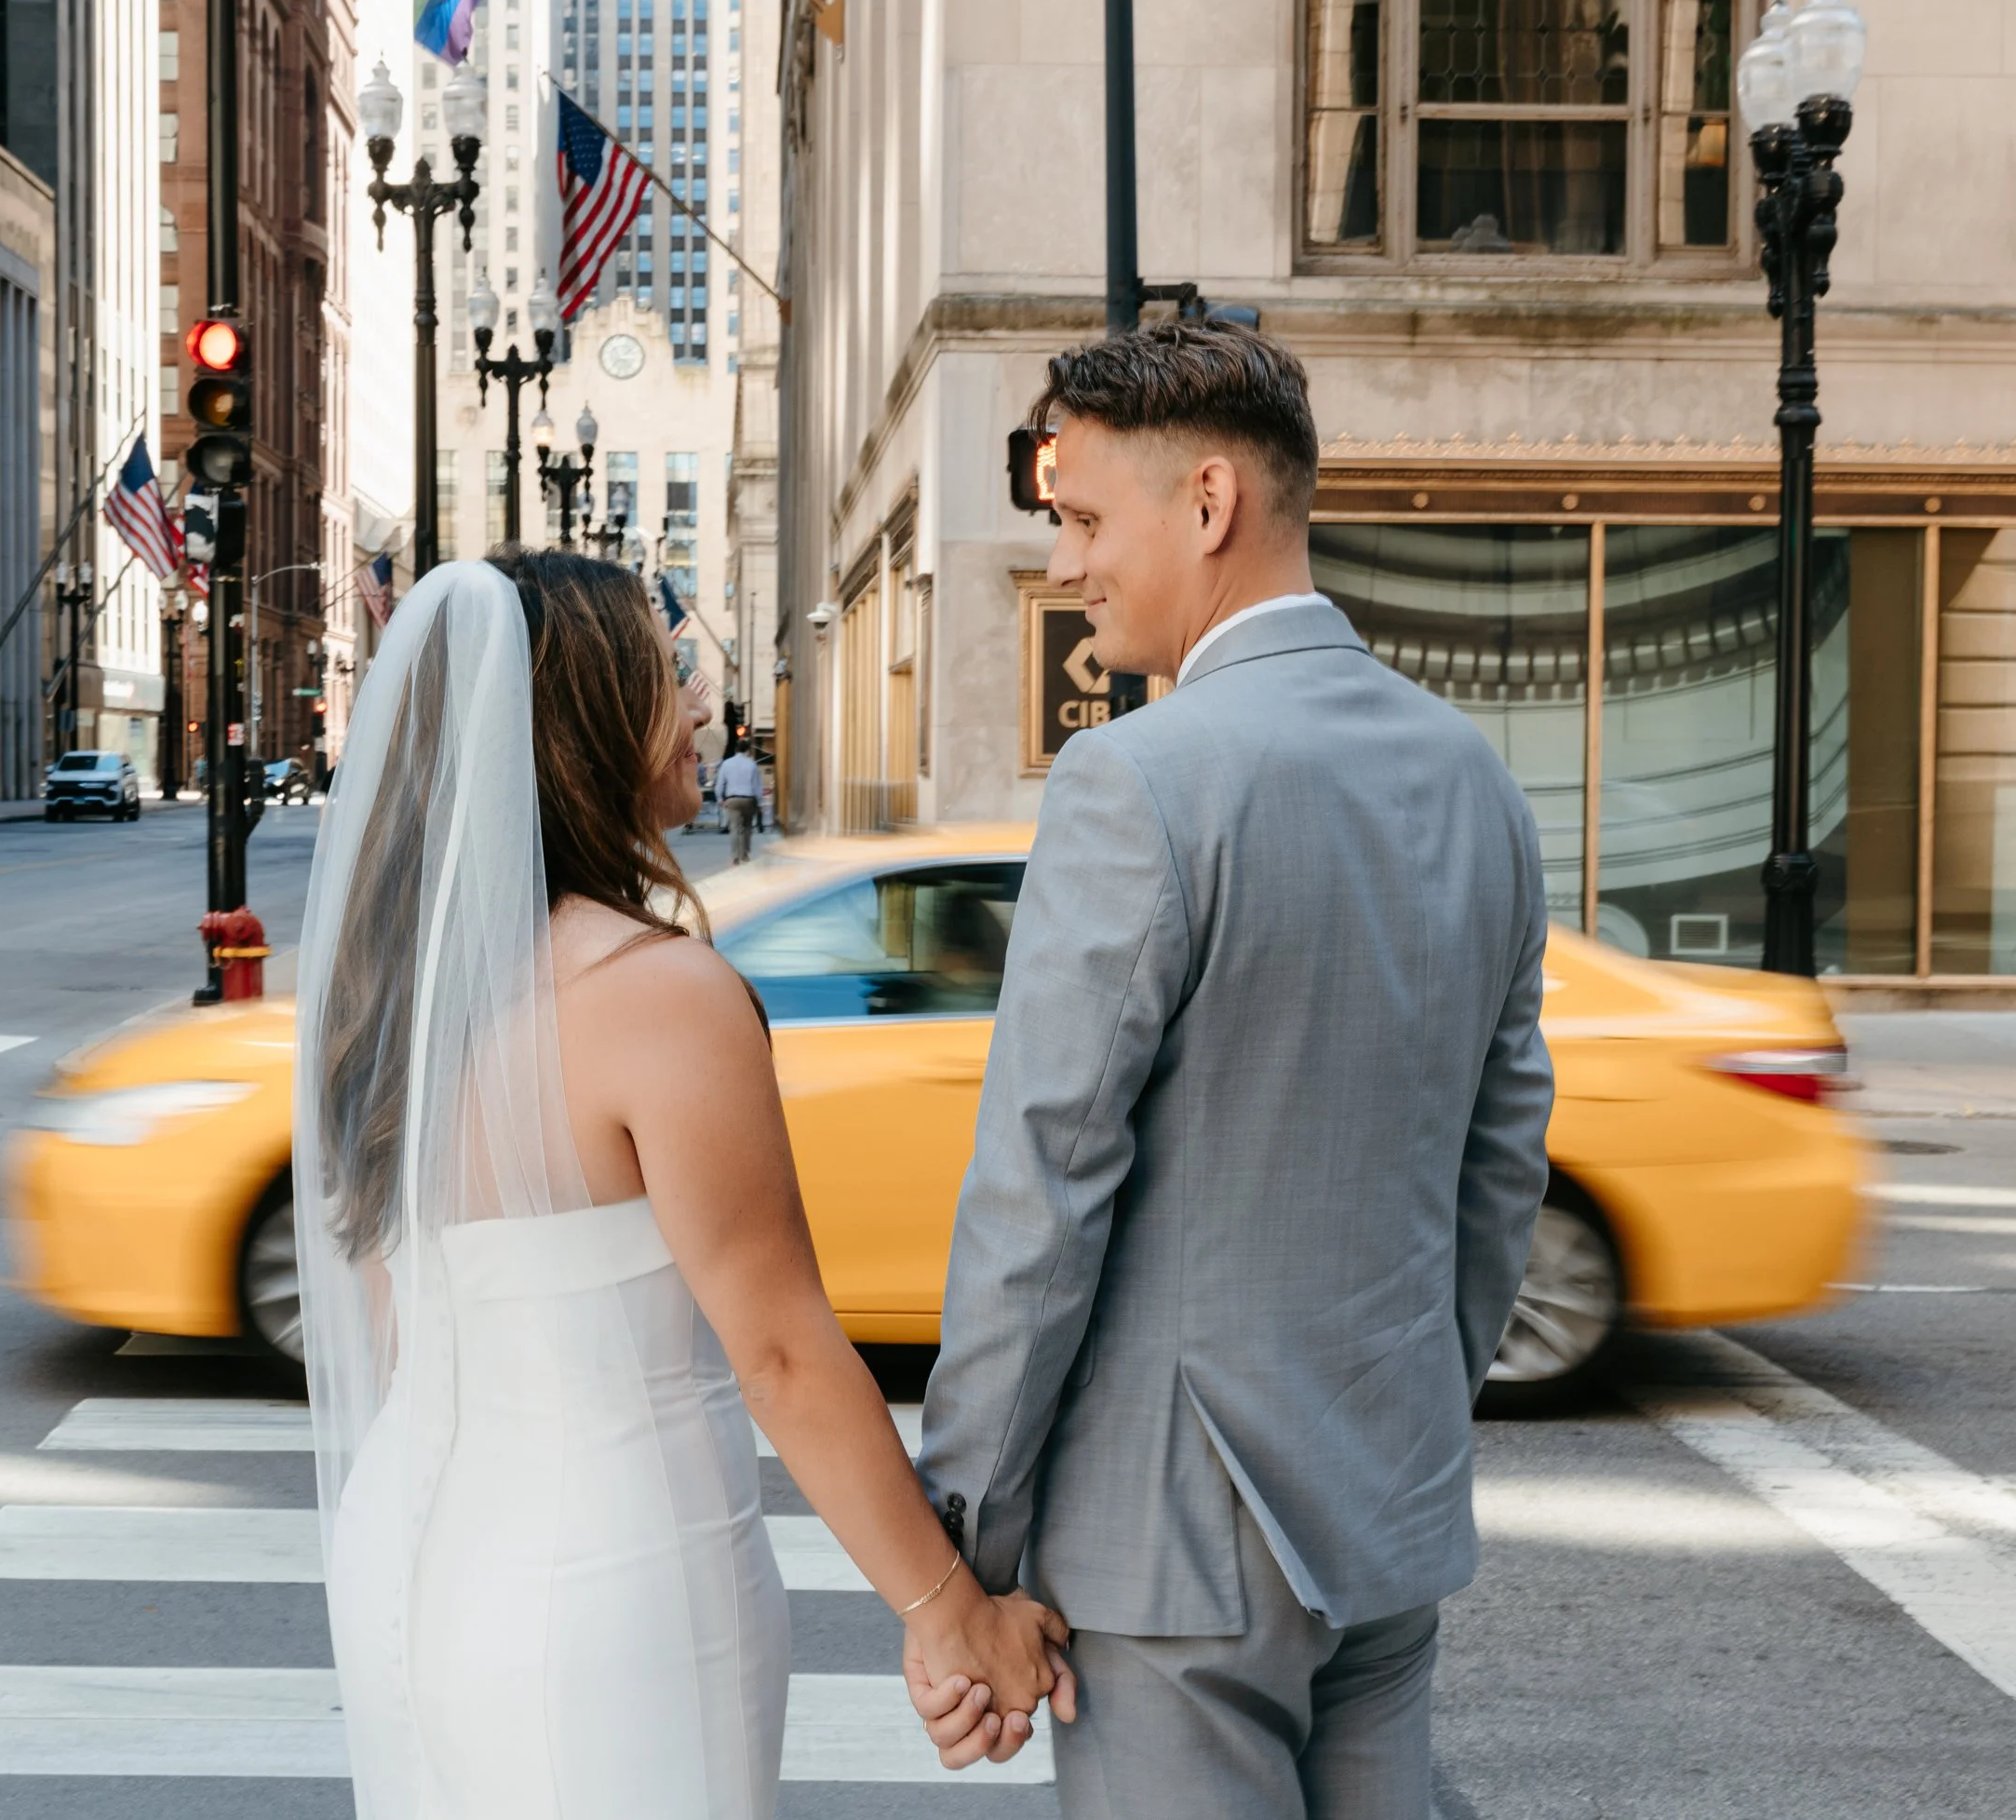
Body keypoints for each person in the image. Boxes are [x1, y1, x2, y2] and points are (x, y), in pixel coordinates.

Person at [294, 550, 1073, 1820]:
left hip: (411, 1569)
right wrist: (951, 1613)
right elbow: (780, 1350)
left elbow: (392, 1324)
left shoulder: (391, 1000)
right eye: (668, 676)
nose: (702, 705)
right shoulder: (658, 993)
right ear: (587, 722)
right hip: (612, 1586)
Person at [908, 322, 1553, 1814]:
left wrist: (967, 1555)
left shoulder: (1136, 779)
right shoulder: (1476, 778)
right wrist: (1407, 1409)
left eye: (1084, 520)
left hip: (1173, 1547)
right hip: (1386, 1509)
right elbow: (1499, 1165)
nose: (1067, 565)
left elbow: (1043, 1186)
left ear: (1209, 504)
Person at [716, 738, 764, 863]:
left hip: (732, 799)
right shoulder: (752, 764)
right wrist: (760, 802)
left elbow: (720, 784)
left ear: (736, 749)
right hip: (749, 799)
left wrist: (720, 798)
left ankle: (735, 856)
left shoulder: (726, 763)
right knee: (747, 827)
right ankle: (745, 854)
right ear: (748, 750)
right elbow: (757, 786)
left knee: (734, 828)